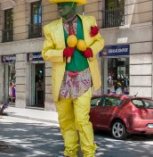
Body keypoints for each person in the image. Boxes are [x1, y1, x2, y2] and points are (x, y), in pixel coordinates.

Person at [42, 0, 104, 156]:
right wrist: (61, 53)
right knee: (65, 121)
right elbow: (46, 53)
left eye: (63, 4)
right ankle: (70, 152)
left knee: (82, 120)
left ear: (74, 5)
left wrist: (91, 50)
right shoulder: (50, 28)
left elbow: (99, 41)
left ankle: (89, 153)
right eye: (58, 5)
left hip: (83, 77)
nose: (59, 7)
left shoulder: (89, 22)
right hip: (62, 81)